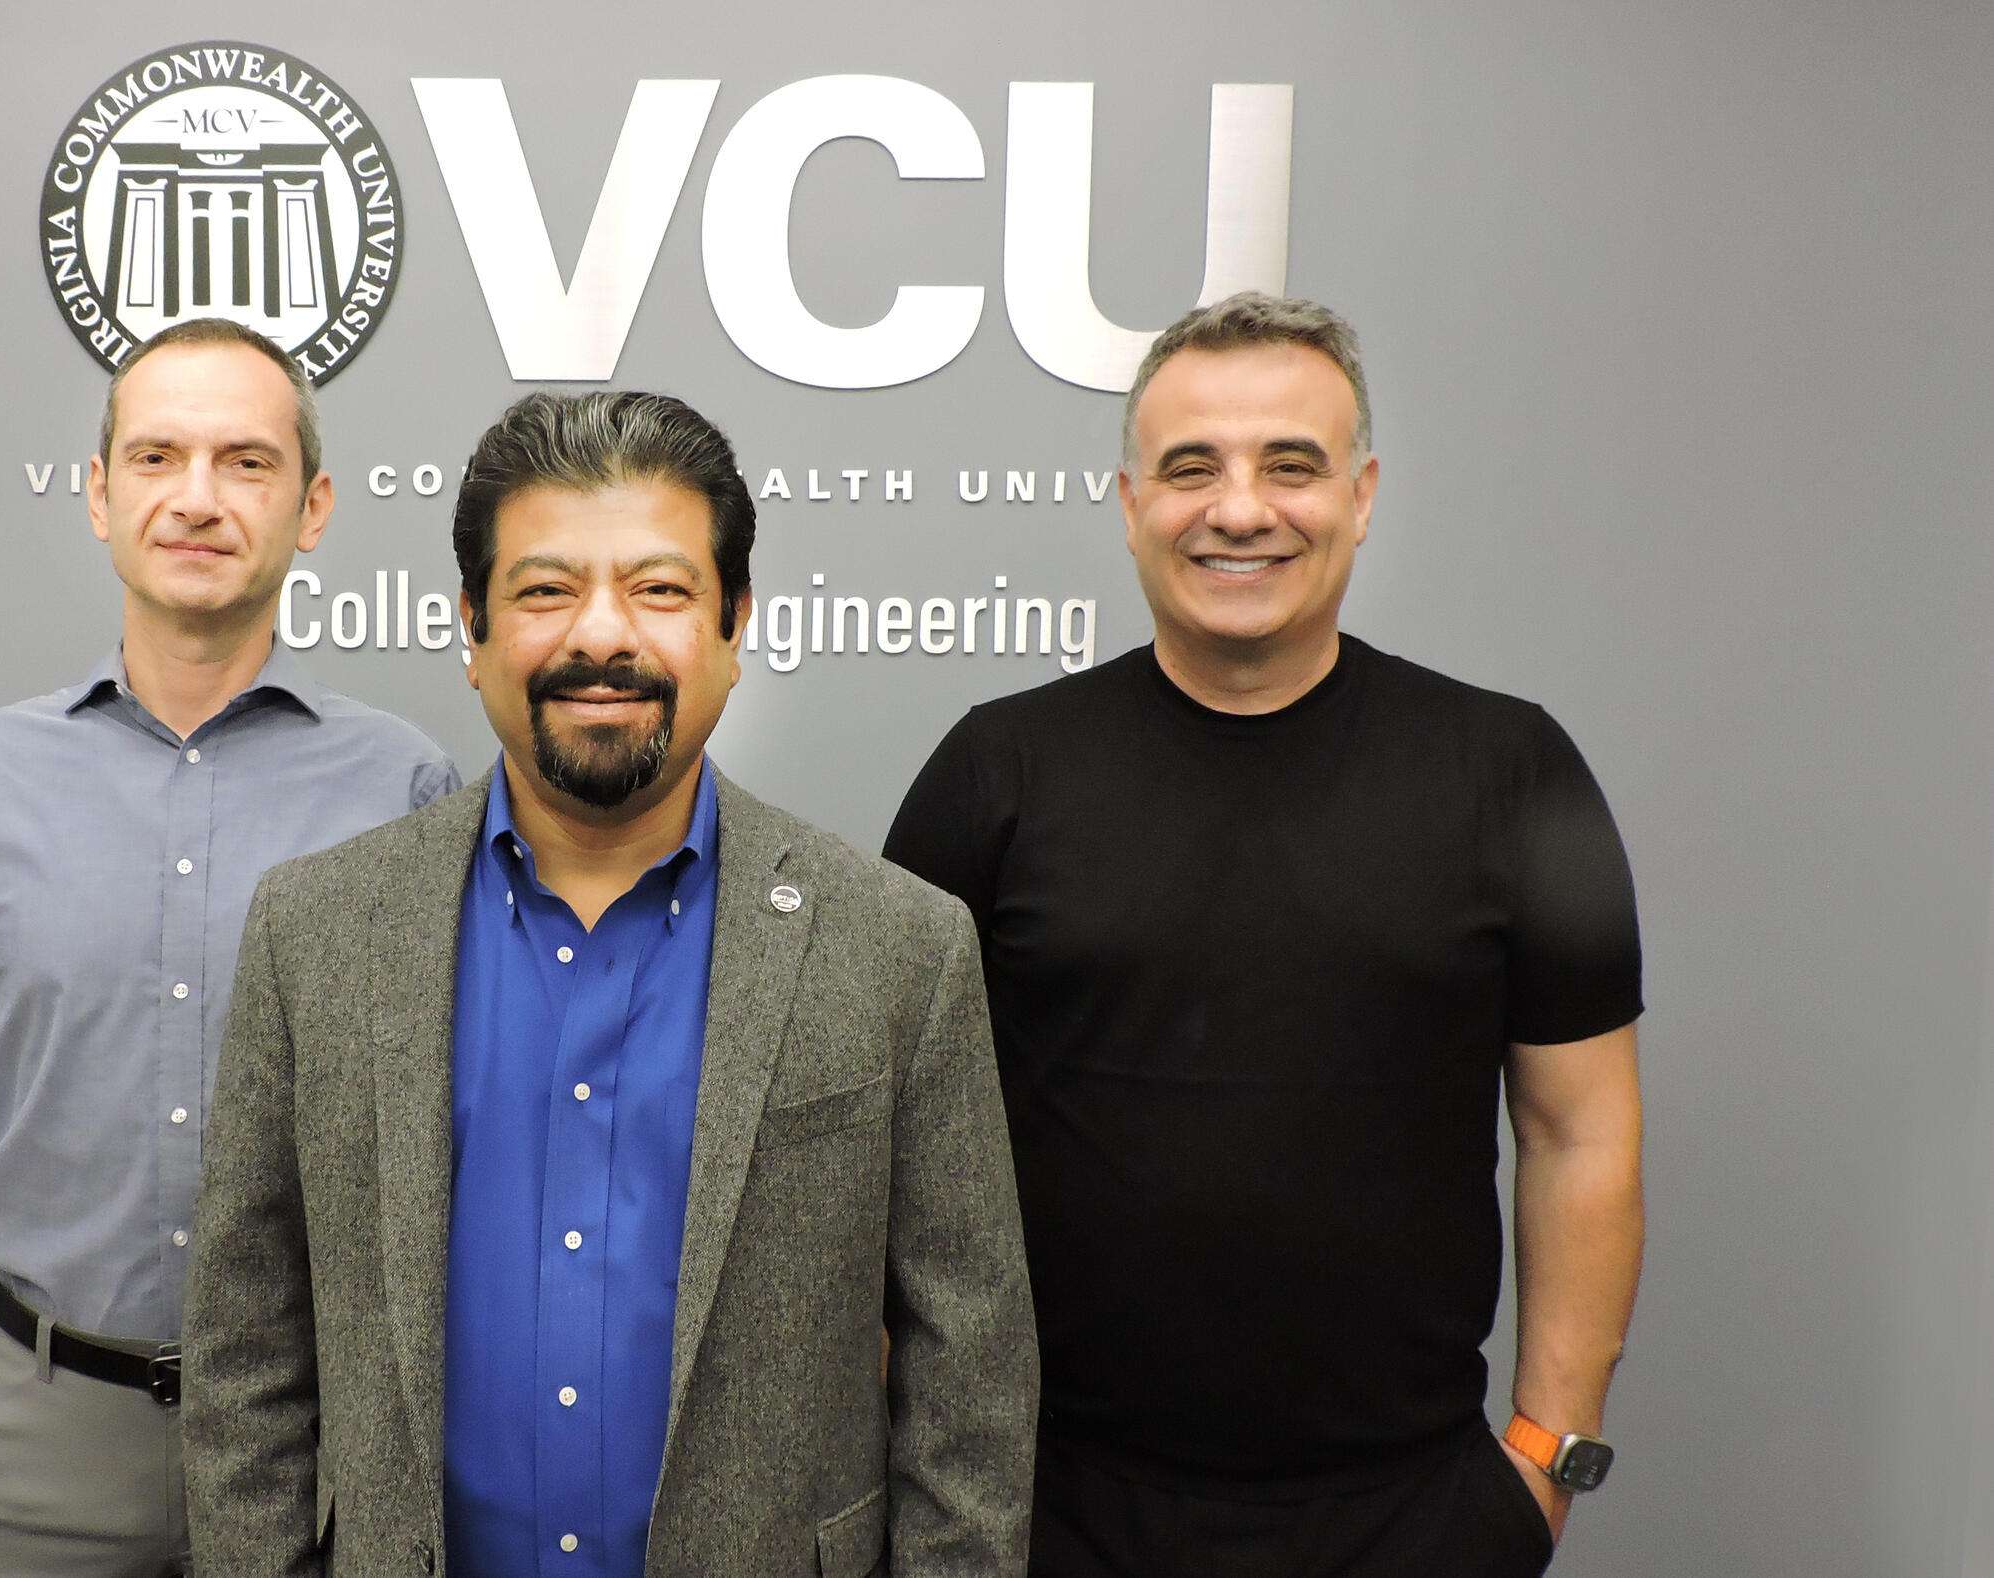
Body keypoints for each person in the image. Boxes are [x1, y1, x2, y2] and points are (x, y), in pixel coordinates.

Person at [182, 390, 1038, 1578]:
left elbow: (970, 1384)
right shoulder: (316, 931)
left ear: (735, 627)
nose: (601, 636)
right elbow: (245, 1350)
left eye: (660, 589)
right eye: (543, 591)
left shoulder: (896, 948)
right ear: (472, 628)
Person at [884, 294, 1645, 1578]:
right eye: (1192, 468)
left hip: (1415, 1520)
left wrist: (1543, 1461)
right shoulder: (995, 773)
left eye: (1290, 465)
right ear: (1130, 503)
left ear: (1361, 494)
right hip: (1046, 1512)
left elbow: (1581, 1132)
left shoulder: (1511, 772)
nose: (1240, 508)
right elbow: (886, 1151)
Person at [0, 317, 458, 1578]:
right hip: (33, 1440)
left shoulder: (402, 786)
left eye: (246, 462)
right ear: (98, 494)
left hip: (311, 1450)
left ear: (313, 508)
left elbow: (437, 1137)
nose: (197, 498)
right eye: (157, 457)